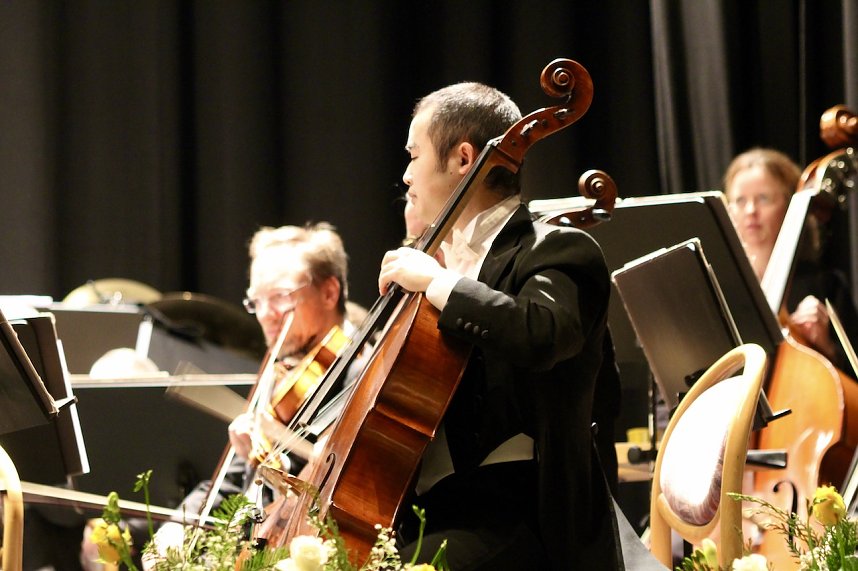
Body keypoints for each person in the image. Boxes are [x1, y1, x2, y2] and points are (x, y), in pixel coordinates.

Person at [377, 82, 621, 569]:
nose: (405, 175)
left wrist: (440, 283)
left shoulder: (557, 249)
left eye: (414, 155)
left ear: (463, 158)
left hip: (520, 516)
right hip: (431, 512)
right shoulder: (437, 265)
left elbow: (541, 332)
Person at [90, 222, 357, 569]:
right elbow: (229, 481)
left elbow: (337, 489)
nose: (265, 315)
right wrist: (177, 530)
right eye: (256, 301)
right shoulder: (281, 375)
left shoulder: (360, 372)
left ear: (329, 292)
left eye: (280, 297)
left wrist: (275, 463)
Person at [724, 147, 858, 368]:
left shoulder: (826, 286)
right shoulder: (718, 288)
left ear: (789, 206)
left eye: (763, 199)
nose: (750, 210)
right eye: (740, 200)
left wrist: (826, 346)